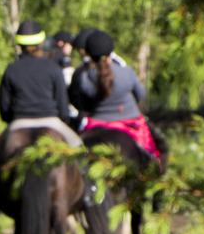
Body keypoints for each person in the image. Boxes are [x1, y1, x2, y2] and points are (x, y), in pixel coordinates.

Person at [69, 29, 162, 159]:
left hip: (97, 124)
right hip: (132, 124)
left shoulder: (84, 78)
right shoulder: (127, 72)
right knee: (158, 152)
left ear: (88, 53)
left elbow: (81, 105)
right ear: (110, 51)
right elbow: (140, 95)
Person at [0, 20, 82, 147]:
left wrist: (13, 119)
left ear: (19, 43)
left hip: (19, 122)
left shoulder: (11, 69)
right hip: (51, 122)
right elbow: (63, 108)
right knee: (79, 150)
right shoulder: (54, 68)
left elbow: (4, 109)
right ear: (41, 42)